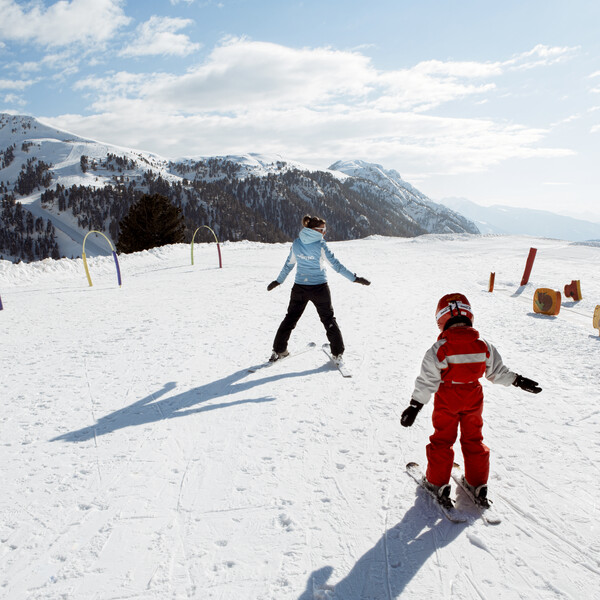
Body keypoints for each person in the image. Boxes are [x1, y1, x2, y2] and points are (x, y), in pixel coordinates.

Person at [400, 293, 541, 508]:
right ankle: (478, 483)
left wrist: (414, 405)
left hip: (447, 398)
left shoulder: (440, 349)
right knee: (473, 439)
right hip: (473, 397)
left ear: (441, 319)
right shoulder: (483, 346)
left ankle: (437, 483)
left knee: (443, 440)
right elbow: (496, 372)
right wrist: (517, 380)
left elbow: (427, 380)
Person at [267, 214, 371, 364]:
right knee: (328, 319)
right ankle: (337, 353)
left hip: (300, 288)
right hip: (319, 288)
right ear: (315, 230)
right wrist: (355, 278)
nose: (325, 232)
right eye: (323, 230)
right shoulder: (320, 245)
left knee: (290, 318)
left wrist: (278, 280)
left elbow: (288, 264)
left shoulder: (296, 244)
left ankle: (278, 350)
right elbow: (336, 266)